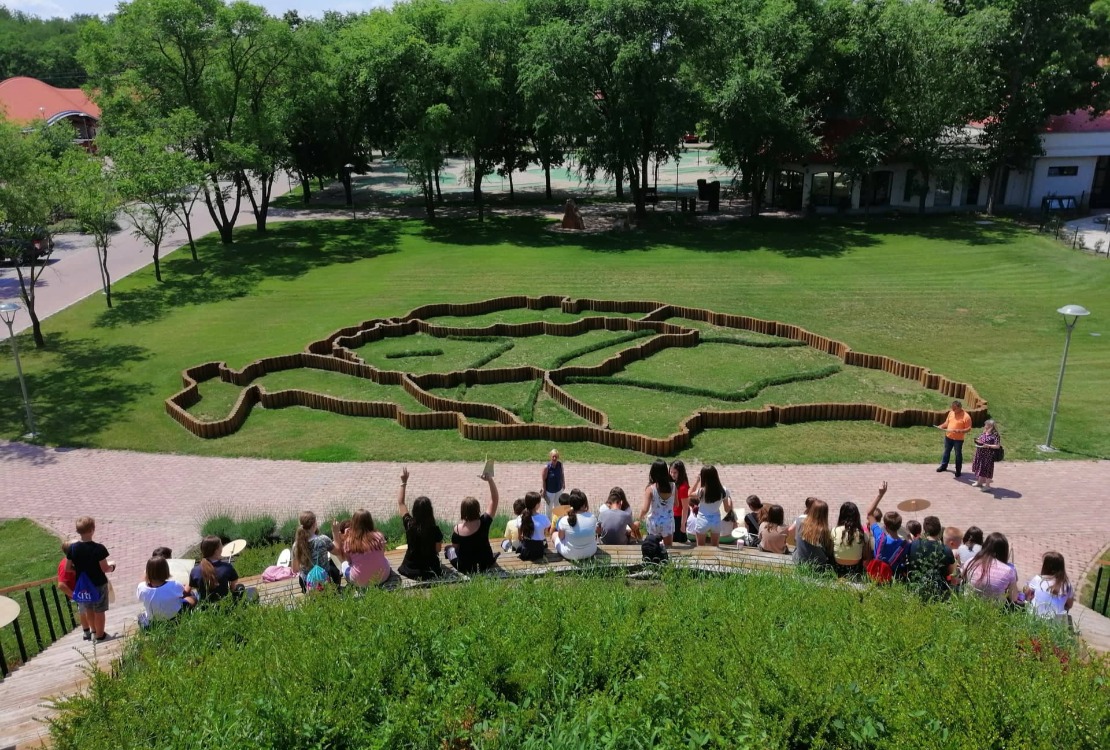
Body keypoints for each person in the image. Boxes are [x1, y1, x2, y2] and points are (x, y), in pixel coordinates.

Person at [67, 517, 115, 642]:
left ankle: (93, 631)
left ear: (78, 531)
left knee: (88, 608)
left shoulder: (73, 548)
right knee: (99, 610)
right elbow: (104, 568)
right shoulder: (99, 548)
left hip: (83, 584)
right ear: (92, 530)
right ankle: (100, 635)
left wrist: (79, 571)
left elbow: (68, 568)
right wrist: (112, 567)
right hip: (98, 583)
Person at [397, 468, 445, 580]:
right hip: (430, 569)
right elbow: (438, 550)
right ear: (430, 511)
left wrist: (403, 482)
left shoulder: (409, 524)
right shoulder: (435, 530)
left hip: (410, 568)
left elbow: (401, 503)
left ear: (414, 510)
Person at [446, 473, 500, 574]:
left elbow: (455, 548)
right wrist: (490, 480)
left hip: (465, 567)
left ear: (462, 511)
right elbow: (494, 500)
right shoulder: (484, 521)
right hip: (486, 563)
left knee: (449, 550)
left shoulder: (457, 529)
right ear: (478, 509)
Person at [905, 516, 956, 599]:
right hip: (938, 592)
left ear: (924, 531)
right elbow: (951, 572)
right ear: (940, 530)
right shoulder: (946, 550)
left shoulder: (913, 545)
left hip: (916, 588)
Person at [337, 509, 391, 587]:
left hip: (360, 581)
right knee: (385, 560)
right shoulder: (379, 536)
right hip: (382, 576)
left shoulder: (349, 541)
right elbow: (382, 553)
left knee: (344, 565)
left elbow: (349, 561)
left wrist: (345, 537)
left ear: (354, 523)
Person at [136, 556, 195, 627]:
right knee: (192, 598)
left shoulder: (141, 587)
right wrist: (190, 580)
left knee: (141, 616)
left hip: (154, 621)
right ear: (166, 570)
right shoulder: (174, 584)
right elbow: (185, 593)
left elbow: (140, 596)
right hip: (174, 618)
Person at [964, 532, 1019, 603]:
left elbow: (961, 579)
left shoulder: (971, 561)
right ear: (1004, 551)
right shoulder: (1008, 570)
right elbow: (1014, 598)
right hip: (995, 612)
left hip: (968, 608)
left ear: (985, 546)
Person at [293, 510, 340, 591]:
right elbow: (338, 551)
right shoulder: (323, 540)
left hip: (306, 583)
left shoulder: (296, 545)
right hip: (324, 582)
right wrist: (335, 532)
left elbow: (295, 569)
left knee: (303, 574)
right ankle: (336, 589)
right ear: (314, 524)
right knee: (333, 566)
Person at [189, 536, 243, 603]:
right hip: (224, 605)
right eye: (221, 546)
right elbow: (233, 588)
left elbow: (197, 589)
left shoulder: (195, 571)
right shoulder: (227, 567)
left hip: (204, 607)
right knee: (240, 587)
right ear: (217, 550)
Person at [689, 466, 734, 547]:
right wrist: (731, 503)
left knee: (700, 547)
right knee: (715, 546)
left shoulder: (702, 491)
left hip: (702, 519)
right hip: (716, 520)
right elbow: (727, 509)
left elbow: (689, 494)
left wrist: (697, 481)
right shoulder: (723, 490)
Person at [1025, 552, 1074, 620]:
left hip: (1035, 619)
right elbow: (1070, 605)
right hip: (1056, 624)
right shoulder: (1067, 584)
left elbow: (1027, 594)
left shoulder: (1038, 579)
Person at [640, 459, 677, 546]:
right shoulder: (673, 486)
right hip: (668, 522)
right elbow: (676, 504)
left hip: (654, 523)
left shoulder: (651, 489)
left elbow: (645, 509)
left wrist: (640, 517)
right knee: (668, 548)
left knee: (653, 547)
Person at [553, 489, 598, 561]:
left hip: (570, 554)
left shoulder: (564, 520)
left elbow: (561, 537)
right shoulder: (592, 517)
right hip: (590, 552)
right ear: (583, 505)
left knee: (554, 534)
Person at [792, 499, 833, 569]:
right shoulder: (823, 530)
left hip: (798, 559)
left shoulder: (799, 521)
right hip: (817, 563)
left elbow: (796, 540)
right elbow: (828, 551)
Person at [831, 502, 869, 577]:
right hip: (856, 567)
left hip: (838, 566)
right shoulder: (862, 533)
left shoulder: (834, 530)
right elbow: (865, 555)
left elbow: (830, 550)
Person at [935, 400, 973, 477]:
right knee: (946, 451)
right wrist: (941, 426)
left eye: (954, 409)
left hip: (958, 440)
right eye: (952, 408)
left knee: (958, 454)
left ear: (959, 407)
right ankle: (943, 466)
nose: (953, 410)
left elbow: (968, 429)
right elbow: (947, 423)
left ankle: (958, 470)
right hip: (948, 436)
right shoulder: (951, 413)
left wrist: (959, 431)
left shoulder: (966, 417)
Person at [518, 491, 552, 562]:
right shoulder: (544, 518)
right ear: (536, 505)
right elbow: (546, 533)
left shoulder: (521, 517)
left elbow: (519, 534)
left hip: (526, 551)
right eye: (539, 502)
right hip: (538, 551)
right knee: (545, 542)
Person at [971, 419, 1002, 491]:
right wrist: (978, 441)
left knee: (987, 469)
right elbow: (981, 439)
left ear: (990, 426)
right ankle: (979, 482)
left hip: (988, 455)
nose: (985, 426)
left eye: (986, 425)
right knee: (980, 467)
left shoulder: (995, 435)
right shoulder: (985, 432)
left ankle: (987, 486)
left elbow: (997, 446)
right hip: (980, 453)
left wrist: (988, 445)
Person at [670, 460, 691, 543]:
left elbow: (685, 508)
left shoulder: (682, 487)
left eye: (675, 473)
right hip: (674, 514)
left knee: (678, 540)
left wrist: (682, 525)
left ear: (680, 473)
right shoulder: (675, 483)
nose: (672, 474)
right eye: (671, 472)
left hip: (679, 517)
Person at [541, 449, 566, 513]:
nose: (554, 458)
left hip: (559, 490)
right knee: (549, 507)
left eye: (556, 456)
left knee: (557, 506)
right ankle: (549, 521)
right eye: (553, 456)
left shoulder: (560, 465)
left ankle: (556, 520)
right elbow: (544, 479)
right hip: (550, 492)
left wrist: (563, 483)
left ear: (558, 457)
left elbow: (562, 474)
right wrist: (544, 490)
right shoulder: (546, 467)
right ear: (550, 457)